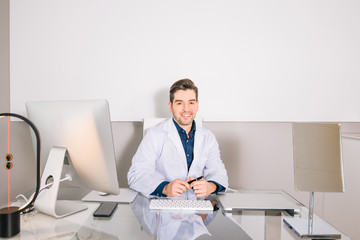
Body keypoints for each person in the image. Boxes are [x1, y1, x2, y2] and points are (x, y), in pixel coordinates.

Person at [127, 79, 228, 198]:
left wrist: (211, 186)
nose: (186, 109)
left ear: (197, 105)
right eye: (179, 103)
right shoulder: (154, 135)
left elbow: (218, 172)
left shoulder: (208, 137)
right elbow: (135, 175)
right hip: (162, 206)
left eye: (191, 102)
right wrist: (165, 188)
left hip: (196, 208)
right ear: (171, 106)